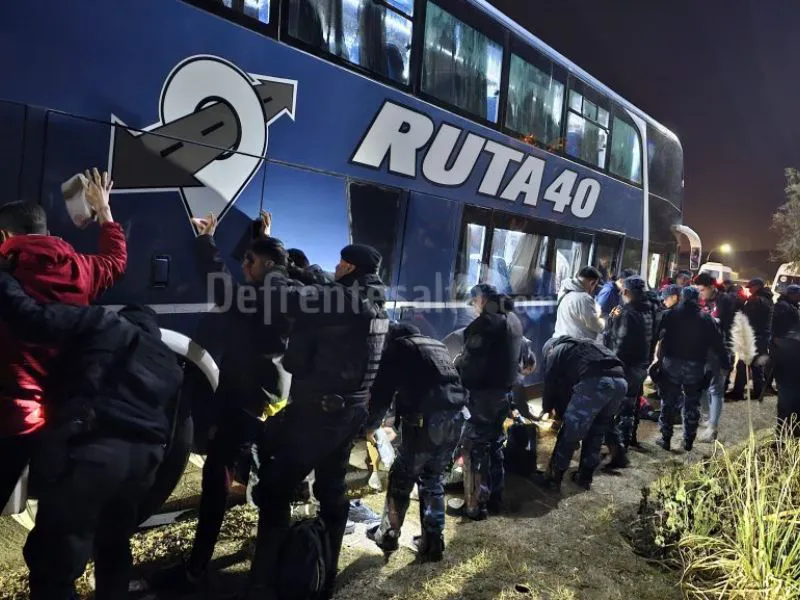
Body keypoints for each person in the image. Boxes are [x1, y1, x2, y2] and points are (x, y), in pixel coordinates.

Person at [0, 271, 182, 600]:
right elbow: (176, 427)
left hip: (93, 454)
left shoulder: (104, 323)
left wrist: (6, 278)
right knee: (113, 545)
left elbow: (30, 319)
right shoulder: (168, 361)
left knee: (55, 564)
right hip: (143, 464)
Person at [152, 213, 293, 591]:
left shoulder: (262, 296)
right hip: (274, 399)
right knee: (272, 482)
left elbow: (223, 289)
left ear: (267, 265)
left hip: (244, 401)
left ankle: (196, 569)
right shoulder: (294, 289)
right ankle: (266, 565)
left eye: (249, 260)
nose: (243, 265)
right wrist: (265, 239)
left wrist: (206, 240)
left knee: (217, 479)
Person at [246, 242, 389, 599]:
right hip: (348, 412)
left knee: (276, 487)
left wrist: (277, 269)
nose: (335, 267)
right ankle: (326, 574)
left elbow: (287, 298)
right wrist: (305, 270)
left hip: (320, 413)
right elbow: (323, 286)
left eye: (340, 263)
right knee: (332, 490)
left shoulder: (343, 301)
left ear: (350, 268)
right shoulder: (370, 301)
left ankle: (262, 584)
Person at [0, 169, 126, 511]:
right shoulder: (81, 269)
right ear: (46, 231)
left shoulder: (8, 270)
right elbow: (116, 260)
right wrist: (105, 212)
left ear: (5, 234)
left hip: (9, 414)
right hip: (52, 414)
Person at [365, 323, 468, 562]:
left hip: (427, 422)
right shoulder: (435, 345)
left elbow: (383, 390)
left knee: (402, 477)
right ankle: (432, 543)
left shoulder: (398, 348)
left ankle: (387, 535)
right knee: (433, 479)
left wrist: (371, 425)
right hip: (456, 418)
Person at [455, 283, 522, 520]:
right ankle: (495, 496)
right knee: (493, 445)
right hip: (503, 394)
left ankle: (474, 505)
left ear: (481, 299)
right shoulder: (512, 318)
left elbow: (471, 361)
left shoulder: (487, 322)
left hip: (483, 396)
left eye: (474, 303)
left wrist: (459, 373)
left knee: (473, 448)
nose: (474, 308)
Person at [536, 336, 627, 490]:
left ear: (549, 350)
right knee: (596, 431)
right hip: (621, 382)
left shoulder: (555, 351)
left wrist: (546, 408)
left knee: (570, 432)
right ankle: (584, 478)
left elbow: (550, 383)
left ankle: (553, 479)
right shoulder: (583, 346)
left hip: (597, 382)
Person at [654, 287, 730, 451]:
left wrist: (652, 359)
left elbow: (656, 334)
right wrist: (725, 363)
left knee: (668, 401)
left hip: (671, 363)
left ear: (681, 298)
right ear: (697, 300)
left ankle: (665, 438)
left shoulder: (670, 315)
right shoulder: (706, 318)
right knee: (692, 403)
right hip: (695, 366)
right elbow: (718, 343)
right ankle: (688, 440)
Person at [604, 276, 653, 463]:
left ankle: (619, 448)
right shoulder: (648, 310)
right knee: (631, 405)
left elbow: (621, 342)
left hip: (626, 367)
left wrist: (612, 363)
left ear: (626, 292)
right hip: (641, 365)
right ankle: (628, 439)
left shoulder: (626, 312)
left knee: (619, 407)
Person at [694, 273, 737, 442]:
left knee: (716, 389)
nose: (700, 293)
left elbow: (724, 324)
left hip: (720, 350)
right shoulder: (700, 300)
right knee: (701, 386)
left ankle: (713, 427)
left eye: (702, 289)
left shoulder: (725, 301)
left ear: (712, 287)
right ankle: (705, 418)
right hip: (702, 350)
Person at [729, 278, 773, 400]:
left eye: (751, 288)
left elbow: (748, 316)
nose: (750, 290)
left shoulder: (758, 300)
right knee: (756, 366)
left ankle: (738, 392)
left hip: (755, 336)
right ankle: (758, 392)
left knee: (743, 365)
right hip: (761, 337)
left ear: (758, 286)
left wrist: (743, 303)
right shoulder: (766, 298)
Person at [553, 266, 604, 341]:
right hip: (576, 346)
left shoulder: (564, 292)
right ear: (592, 283)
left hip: (559, 341)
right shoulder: (584, 298)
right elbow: (595, 325)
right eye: (595, 285)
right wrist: (603, 321)